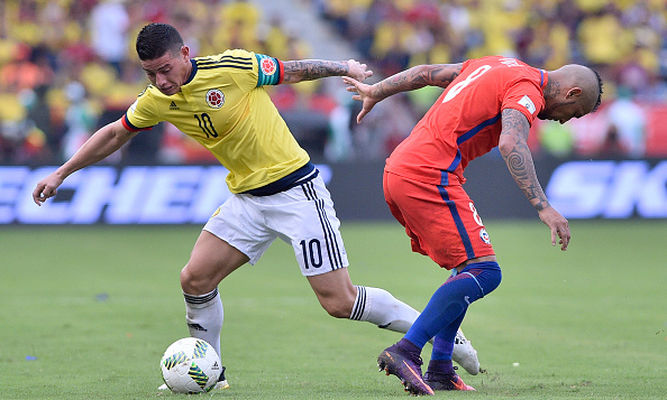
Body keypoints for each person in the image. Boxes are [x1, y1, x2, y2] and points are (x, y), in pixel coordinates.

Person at [31, 23, 481, 390]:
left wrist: (343, 66)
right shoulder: (158, 100)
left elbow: (294, 70)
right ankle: (211, 372)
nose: (160, 81)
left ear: (185, 53)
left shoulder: (233, 67)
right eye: (151, 74)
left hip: (296, 193)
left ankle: (442, 331)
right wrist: (62, 172)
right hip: (247, 199)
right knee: (195, 277)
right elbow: (114, 133)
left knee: (339, 302)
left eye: (165, 69)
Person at [344, 56, 602, 395]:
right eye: (576, 113)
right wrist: (544, 207)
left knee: (468, 269)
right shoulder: (527, 90)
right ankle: (406, 351)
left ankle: (440, 367)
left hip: (402, 168)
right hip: (428, 174)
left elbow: (425, 73)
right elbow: (511, 142)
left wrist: (377, 90)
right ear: (572, 92)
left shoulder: (497, 64)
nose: (566, 121)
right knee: (486, 272)